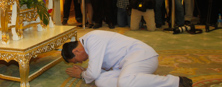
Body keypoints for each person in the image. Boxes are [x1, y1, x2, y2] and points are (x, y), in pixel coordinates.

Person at [62, 30, 193, 87]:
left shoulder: (92, 39)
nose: (80, 61)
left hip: (142, 56)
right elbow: (98, 73)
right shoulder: (90, 45)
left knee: (124, 82)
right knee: (101, 81)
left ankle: (175, 82)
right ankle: (143, 83)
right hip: (128, 66)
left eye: (76, 60)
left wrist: (83, 75)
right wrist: (86, 71)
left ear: (76, 51)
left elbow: (93, 72)